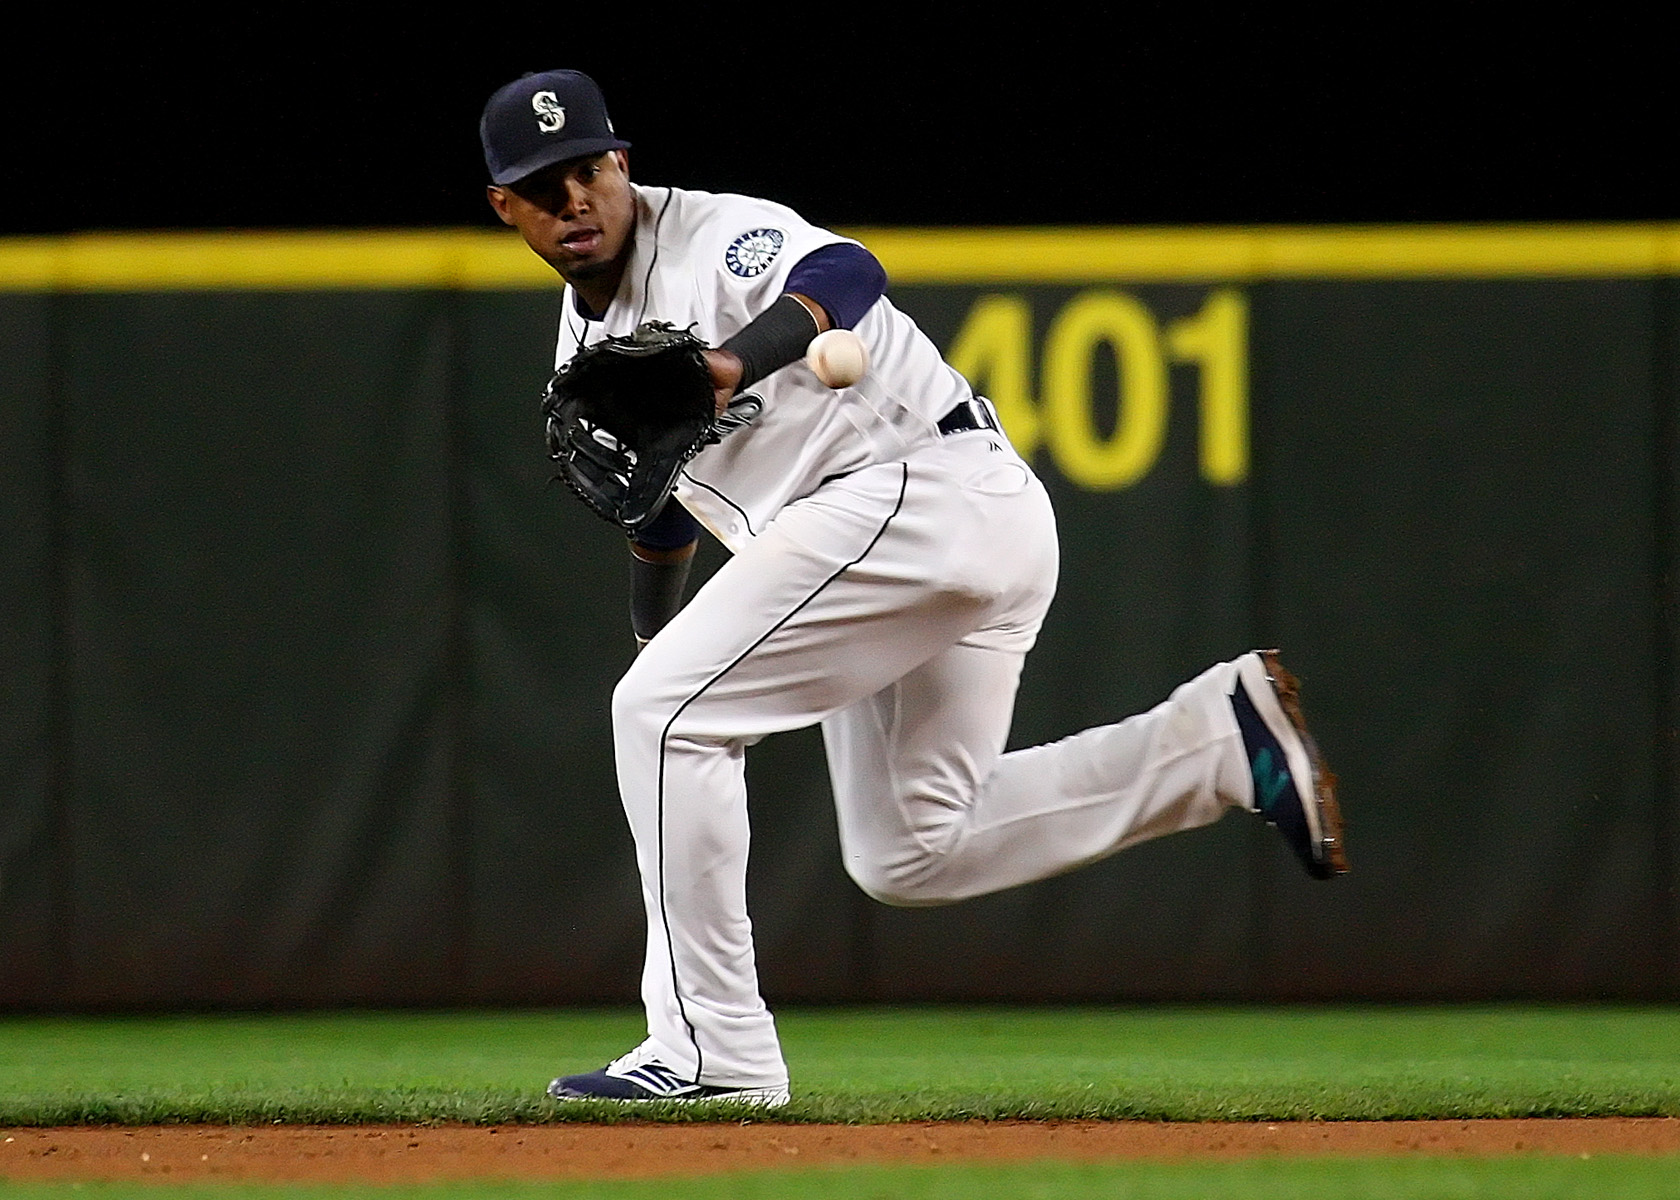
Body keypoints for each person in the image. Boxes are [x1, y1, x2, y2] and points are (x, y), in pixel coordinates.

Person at [479, 69, 1347, 1107]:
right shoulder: (585, 342)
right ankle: (1216, 741)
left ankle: (714, 1051)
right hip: (923, 539)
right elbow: (660, 511)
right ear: (506, 208)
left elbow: (849, 272)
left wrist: (727, 364)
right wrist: (650, 635)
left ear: (622, 164)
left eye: (587, 170)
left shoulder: (714, 236)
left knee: (664, 719)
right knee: (910, 849)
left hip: (917, 493)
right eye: (544, 186)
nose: (574, 200)